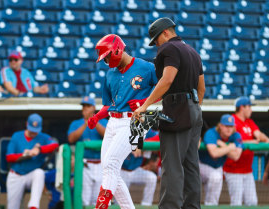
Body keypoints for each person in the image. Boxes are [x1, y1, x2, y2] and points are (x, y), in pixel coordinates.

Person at [134, 17, 205, 209]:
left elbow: (166, 80)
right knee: (191, 167)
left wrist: (145, 106)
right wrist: (194, 108)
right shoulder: (192, 51)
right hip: (194, 110)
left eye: (156, 39)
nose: (156, 44)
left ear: (166, 32)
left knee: (172, 166)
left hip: (177, 109)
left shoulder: (169, 48)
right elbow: (202, 88)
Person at [87, 34, 158, 209]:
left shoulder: (146, 67)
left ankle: (101, 205)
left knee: (110, 164)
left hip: (136, 121)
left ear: (117, 48)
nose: (107, 61)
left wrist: (146, 103)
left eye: (107, 56)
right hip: (113, 121)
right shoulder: (110, 74)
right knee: (109, 170)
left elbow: (166, 87)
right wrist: (97, 116)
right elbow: (110, 105)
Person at [223, 96, 269, 206]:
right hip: (234, 170)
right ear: (242, 107)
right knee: (236, 203)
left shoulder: (249, 122)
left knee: (252, 202)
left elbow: (258, 134)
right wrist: (250, 142)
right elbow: (231, 140)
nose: (251, 110)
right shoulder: (231, 120)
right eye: (249, 107)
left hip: (247, 170)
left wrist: (268, 140)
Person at [6, 113, 59, 209]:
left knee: (39, 173)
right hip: (16, 175)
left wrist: (39, 149)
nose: (34, 133)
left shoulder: (43, 137)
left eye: (36, 130)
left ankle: (33, 206)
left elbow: (55, 145)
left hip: (31, 175)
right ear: (27, 124)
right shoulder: (17, 136)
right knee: (12, 207)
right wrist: (25, 155)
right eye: (32, 130)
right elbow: (9, 157)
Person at [67, 96, 107, 206]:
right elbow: (71, 139)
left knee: (98, 199)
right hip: (84, 164)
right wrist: (86, 123)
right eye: (83, 106)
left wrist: (94, 120)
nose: (85, 108)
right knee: (84, 199)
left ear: (94, 107)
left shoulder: (102, 121)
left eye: (88, 106)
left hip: (100, 164)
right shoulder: (76, 123)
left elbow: (107, 135)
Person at [199, 114, 243, 206]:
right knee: (215, 178)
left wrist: (223, 145)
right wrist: (230, 147)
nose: (229, 129)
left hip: (217, 166)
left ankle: (210, 206)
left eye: (231, 126)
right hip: (201, 164)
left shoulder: (236, 135)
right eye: (226, 126)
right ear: (220, 126)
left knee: (215, 183)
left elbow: (236, 156)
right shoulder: (211, 132)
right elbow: (214, 154)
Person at [120, 131, 160, 206]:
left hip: (136, 170)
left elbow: (158, 137)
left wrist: (151, 162)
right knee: (119, 202)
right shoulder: (123, 128)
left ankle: (146, 205)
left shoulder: (146, 130)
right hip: (121, 171)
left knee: (151, 178)